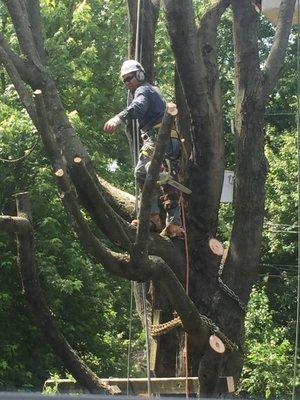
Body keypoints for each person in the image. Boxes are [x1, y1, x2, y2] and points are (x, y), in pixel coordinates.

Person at [103, 59, 183, 238]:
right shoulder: (153, 90)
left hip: (158, 139)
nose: (127, 83)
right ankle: (174, 225)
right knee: (166, 180)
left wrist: (118, 118)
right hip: (170, 141)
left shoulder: (143, 90)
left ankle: (153, 217)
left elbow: (138, 107)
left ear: (140, 74)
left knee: (141, 173)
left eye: (130, 77)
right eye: (124, 80)